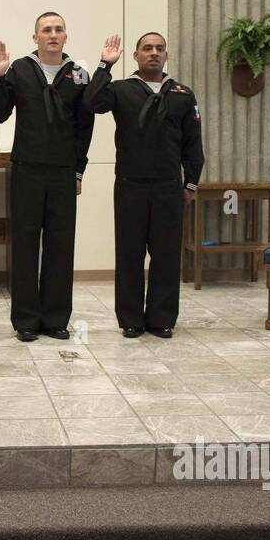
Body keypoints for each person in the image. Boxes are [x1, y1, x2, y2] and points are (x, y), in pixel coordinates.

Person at [0, 13, 107, 341]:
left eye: (58, 30)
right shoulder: (20, 70)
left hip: (63, 173)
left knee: (60, 246)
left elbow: (86, 127)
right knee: (25, 246)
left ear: (65, 37)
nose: (53, 35)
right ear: (35, 37)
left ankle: (55, 319)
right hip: (27, 170)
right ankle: (26, 320)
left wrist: (79, 170)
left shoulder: (79, 74)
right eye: (46, 30)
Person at [84, 32, 204, 338]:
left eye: (159, 49)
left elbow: (193, 144)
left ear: (167, 55)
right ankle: (131, 319)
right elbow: (92, 102)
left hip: (168, 188)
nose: (153, 53)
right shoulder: (121, 89)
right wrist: (105, 64)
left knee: (166, 255)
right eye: (147, 48)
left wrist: (191, 183)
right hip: (130, 186)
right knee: (130, 254)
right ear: (136, 55)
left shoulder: (182, 94)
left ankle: (162, 319)